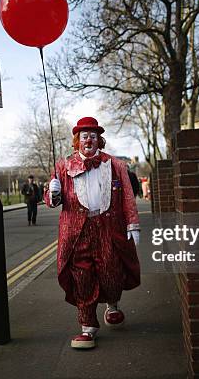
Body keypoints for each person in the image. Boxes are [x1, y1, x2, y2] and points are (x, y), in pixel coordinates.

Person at [44, 116, 140, 350]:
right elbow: (52, 201)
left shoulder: (115, 164)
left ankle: (112, 304)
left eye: (93, 136)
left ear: (99, 140)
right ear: (77, 141)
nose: (89, 140)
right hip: (77, 231)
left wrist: (133, 224)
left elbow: (128, 196)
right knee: (82, 277)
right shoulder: (63, 166)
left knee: (111, 271)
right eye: (84, 136)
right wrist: (53, 192)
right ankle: (88, 327)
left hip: (108, 227)